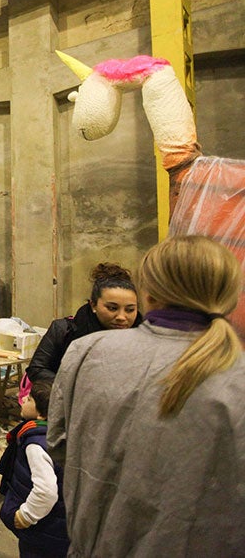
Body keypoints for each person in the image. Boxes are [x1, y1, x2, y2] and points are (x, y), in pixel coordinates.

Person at [47, 235, 245, 556]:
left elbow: (58, 445)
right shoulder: (235, 376)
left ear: (148, 296)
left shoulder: (88, 351)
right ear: (229, 298)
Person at [26, 262, 140, 382]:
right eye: (112, 308)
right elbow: (37, 369)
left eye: (130, 310)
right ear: (93, 305)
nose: (122, 317)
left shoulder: (143, 338)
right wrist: (73, 387)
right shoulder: (64, 330)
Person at [0, 379, 69, 557]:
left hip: (44, 529)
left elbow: (46, 491)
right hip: (59, 527)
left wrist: (25, 516)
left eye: (29, 399)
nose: (22, 399)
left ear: (42, 415)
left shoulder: (36, 444)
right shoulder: (58, 433)